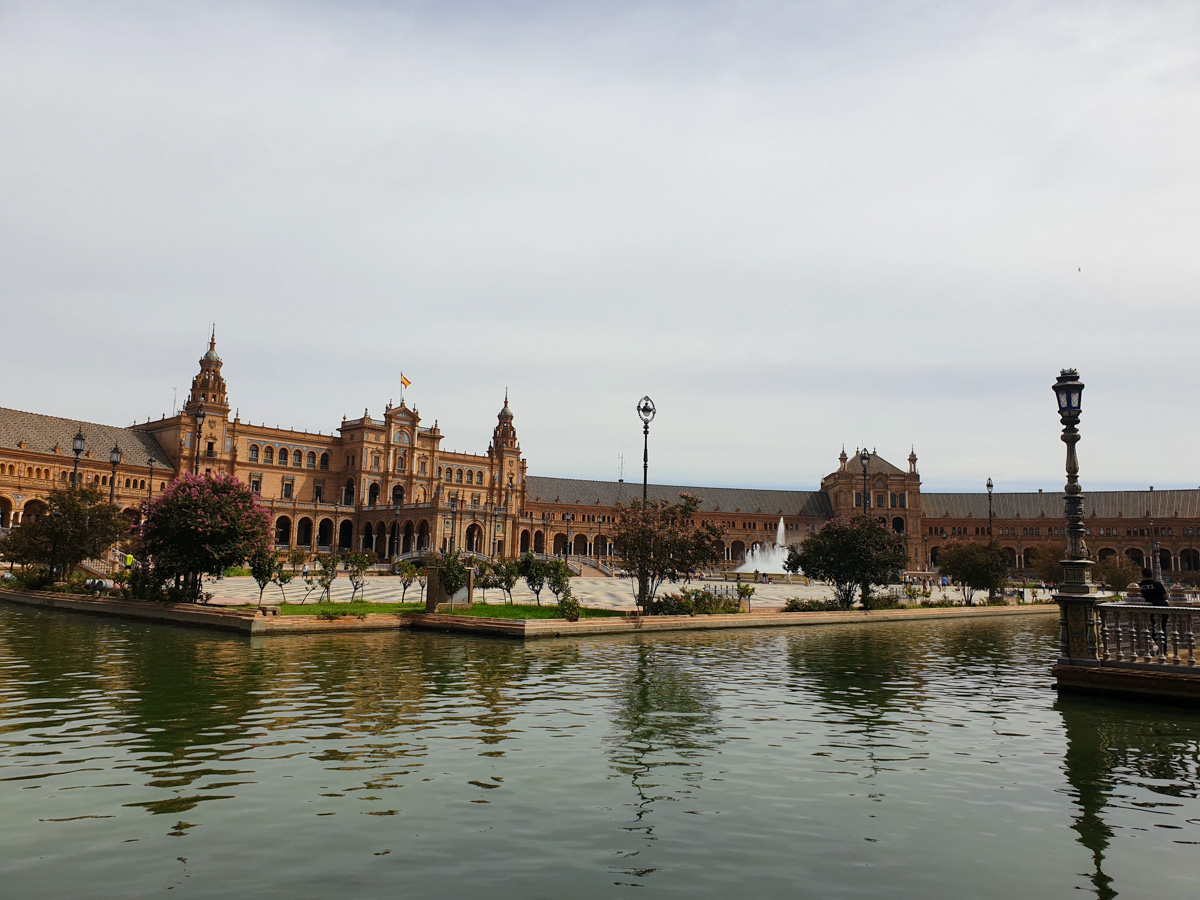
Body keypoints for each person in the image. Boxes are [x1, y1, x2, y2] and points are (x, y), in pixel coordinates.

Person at [1138, 567, 1169, 648]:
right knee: (1162, 628)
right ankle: (1163, 648)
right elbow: (1165, 597)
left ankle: (1158, 646)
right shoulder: (1157, 584)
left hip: (1149, 608)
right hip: (1162, 606)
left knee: (1151, 628)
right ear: (1152, 575)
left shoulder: (1139, 586)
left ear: (1142, 576)